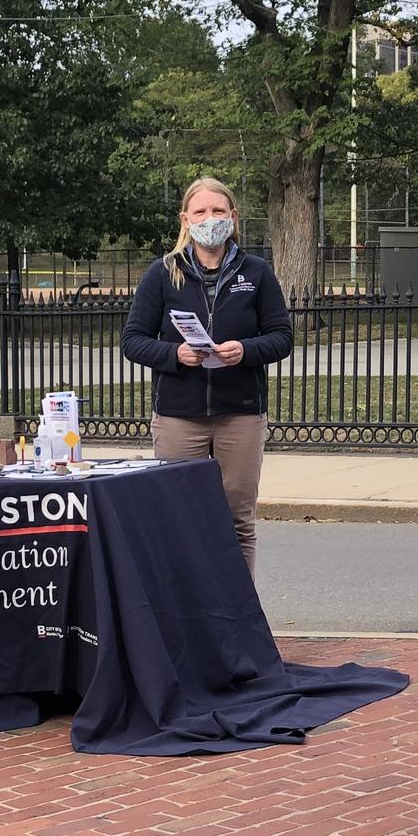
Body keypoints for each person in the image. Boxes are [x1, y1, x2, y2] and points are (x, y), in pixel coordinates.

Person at [120, 176, 293, 574]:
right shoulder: (162, 273)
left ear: (233, 217)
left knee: (237, 523)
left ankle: (238, 619)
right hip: (180, 416)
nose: (209, 218)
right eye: (200, 211)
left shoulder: (258, 272)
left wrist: (245, 351)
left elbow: (281, 338)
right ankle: (186, 619)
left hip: (240, 415)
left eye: (218, 211)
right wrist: (176, 354)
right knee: (179, 523)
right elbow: (133, 340)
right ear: (185, 219)